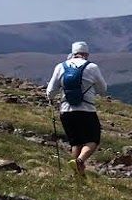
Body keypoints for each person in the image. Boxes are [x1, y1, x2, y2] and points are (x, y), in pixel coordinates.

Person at [46, 41, 107, 181]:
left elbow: (50, 92)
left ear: (73, 53)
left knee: (76, 142)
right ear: (86, 54)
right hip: (86, 110)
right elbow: (103, 89)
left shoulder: (61, 66)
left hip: (66, 111)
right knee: (93, 139)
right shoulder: (92, 67)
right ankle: (80, 161)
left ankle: (77, 176)